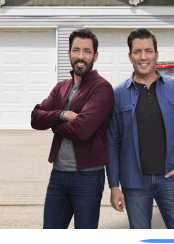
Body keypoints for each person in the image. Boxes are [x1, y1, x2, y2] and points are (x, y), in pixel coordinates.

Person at [106, 28, 174, 229]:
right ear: (130, 56)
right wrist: (114, 186)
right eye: (137, 52)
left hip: (171, 180)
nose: (143, 57)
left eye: (148, 51)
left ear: (156, 54)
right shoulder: (118, 94)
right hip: (134, 184)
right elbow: (111, 142)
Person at [31, 28, 114, 229]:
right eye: (76, 50)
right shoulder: (61, 87)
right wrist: (62, 114)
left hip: (87, 178)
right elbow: (35, 118)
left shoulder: (102, 88)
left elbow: (82, 130)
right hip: (58, 176)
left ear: (95, 56)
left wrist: (53, 125)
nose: (80, 56)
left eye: (86, 51)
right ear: (69, 53)